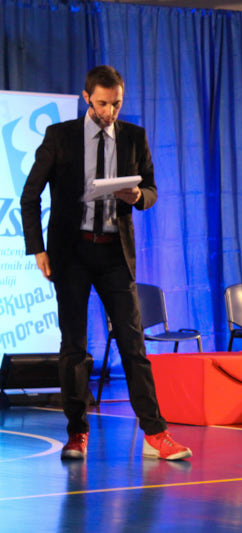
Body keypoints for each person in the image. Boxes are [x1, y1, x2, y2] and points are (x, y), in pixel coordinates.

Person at [20, 65, 191, 461]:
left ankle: (155, 434)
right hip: (72, 254)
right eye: (102, 104)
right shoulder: (60, 136)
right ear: (86, 99)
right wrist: (38, 249)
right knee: (74, 347)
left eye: (116, 104)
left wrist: (139, 197)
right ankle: (77, 432)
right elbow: (30, 196)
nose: (109, 112)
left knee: (133, 345)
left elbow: (152, 189)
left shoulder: (134, 137)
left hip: (114, 254)